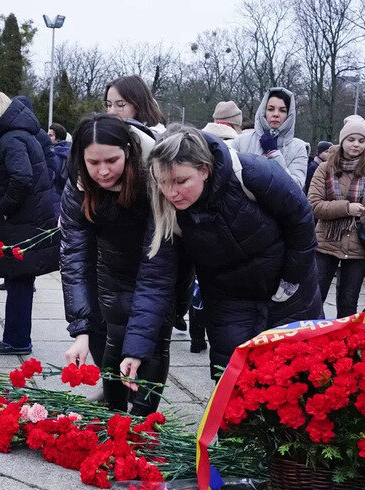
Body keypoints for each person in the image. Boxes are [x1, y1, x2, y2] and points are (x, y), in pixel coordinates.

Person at [142, 124, 322, 379]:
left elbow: (301, 220)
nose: (172, 192)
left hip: (289, 291)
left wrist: (292, 279)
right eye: (163, 182)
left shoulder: (252, 172)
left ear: (204, 169)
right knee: (234, 381)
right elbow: (158, 274)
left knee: (296, 378)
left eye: (181, 181)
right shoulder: (165, 207)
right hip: (228, 300)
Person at [61, 114, 172, 415]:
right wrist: (81, 332)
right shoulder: (78, 183)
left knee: (152, 338)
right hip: (112, 266)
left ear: (128, 150)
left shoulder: (155, 174)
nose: (103, 171)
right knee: (115, 334)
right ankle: (114, 414)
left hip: (160, 265)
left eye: (112, 160)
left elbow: (159, 255)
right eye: (93, 162)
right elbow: (75, 257)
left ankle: (143, 420)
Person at [0, 92, 59, 355]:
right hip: (27, 219)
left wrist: (3, 208)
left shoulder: (11, 139)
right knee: (19, 281)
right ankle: (16, 337)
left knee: (19, 281)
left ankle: (17, 340)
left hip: (21, 221)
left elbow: (22, 177)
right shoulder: (21, 135)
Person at [307, 115, 365, 318]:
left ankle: (342, 347)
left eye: (361, 140)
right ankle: (313, 345)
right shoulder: (325, 169)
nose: (357, 145)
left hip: (358, 247)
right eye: (351, 139)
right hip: (325, 243)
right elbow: (313, 205)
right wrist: (347, 208)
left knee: (348, 305)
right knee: (314, 300)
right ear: (342, 141)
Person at [234, 88, 308, 188]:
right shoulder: (241, 141)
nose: (276, 114)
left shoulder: (298, 148)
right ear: (263, 111)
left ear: (289, 115)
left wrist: (274, 154)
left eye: (282, 110)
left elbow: (296, 187)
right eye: (270, 109)